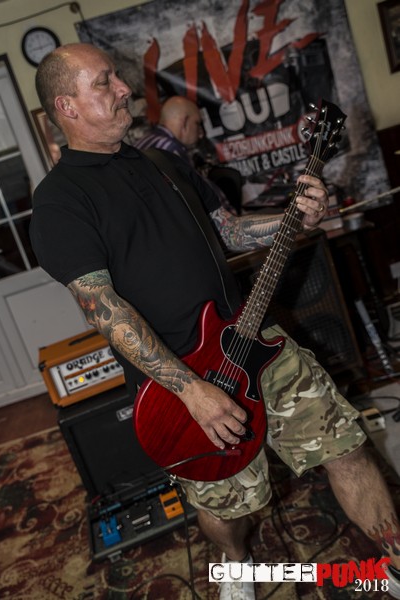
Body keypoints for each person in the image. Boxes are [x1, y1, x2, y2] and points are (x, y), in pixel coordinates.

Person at [30, 43, 400, 600]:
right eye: (104, 82)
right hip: (182, 382)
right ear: (67, 105)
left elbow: (227, 228)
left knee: (345, 446)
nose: (124, 89)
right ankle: (237, 563)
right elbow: (105, 309)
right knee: (228, 508)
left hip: (253, 338)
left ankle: (395, 561)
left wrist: (294, 216)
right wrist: (192, 391)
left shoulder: (162, 161)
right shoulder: (60, 202)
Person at [135, 94, 241, 213]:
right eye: (197, 123)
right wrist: (230, 212)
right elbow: (201, 193)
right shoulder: (170, 149)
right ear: (184, 122)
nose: (201, 134)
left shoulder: (144, 141)